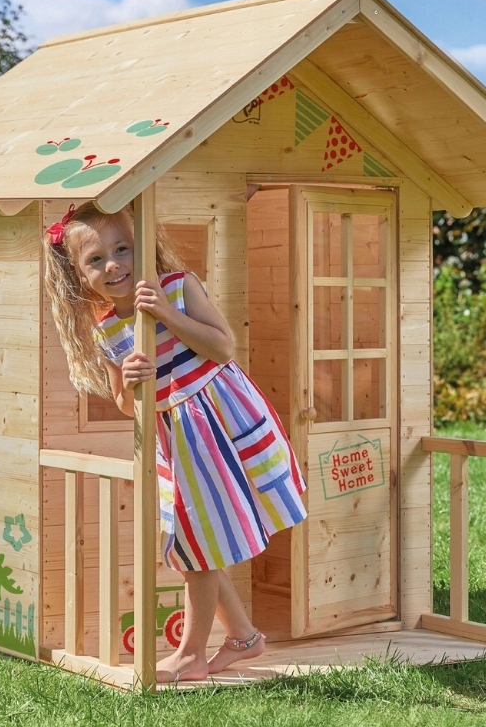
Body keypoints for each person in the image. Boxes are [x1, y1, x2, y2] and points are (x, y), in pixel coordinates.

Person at [43, 201, 307, 682]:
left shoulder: (179, 288)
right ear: (80, 275)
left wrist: (165, 313)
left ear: (143, 247)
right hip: (179, 438)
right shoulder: (108, 329)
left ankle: (192, 654)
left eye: (122, 250)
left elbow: (222, 347)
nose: (113, 265)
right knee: (194, 541)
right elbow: (126, 404)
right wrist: (130, 381)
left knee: (197, 545)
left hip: (221, 423)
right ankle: (243, 637)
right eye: (96, 259)